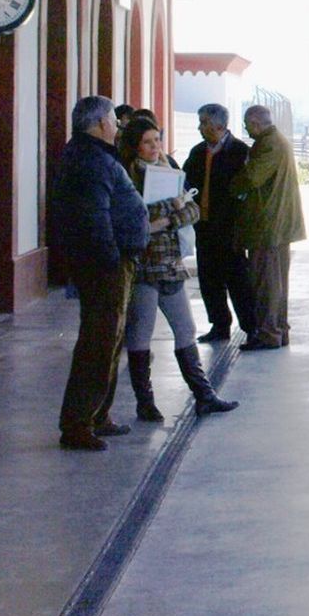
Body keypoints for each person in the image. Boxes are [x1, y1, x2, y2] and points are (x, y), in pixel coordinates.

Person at [117, 119, 238, 419]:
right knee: (140, 334)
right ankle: (145, 402)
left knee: (185, 328)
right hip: (144, 266)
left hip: (170, 264)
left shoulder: (169, 169)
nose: (155, 146)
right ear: (135, 147)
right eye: (147, 142)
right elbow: (137, 219)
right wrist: (171, 209)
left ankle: (204, 394)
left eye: (157, 140)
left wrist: (169, 218)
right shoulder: (127, 178)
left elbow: (193, 209)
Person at [50, 96, 149, 451]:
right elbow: (94, 218)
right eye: (113, 120)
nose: (118, 126)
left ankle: (97, 414)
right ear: (100, 124)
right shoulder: (90, 159)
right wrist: (110, 264)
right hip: (105, 266)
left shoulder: (91, 154)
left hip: (111, 263)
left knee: (109, 341)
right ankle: (77, 423)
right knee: (98, 342)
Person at [232, 105, 306, 352]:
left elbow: (252, 177)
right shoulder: (275, 140)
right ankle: (278, 330)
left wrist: (232, 184)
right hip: (275, 225)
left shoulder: (269, 144)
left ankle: (269, 333)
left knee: (267, 283)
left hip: (268, 225)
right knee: (276, 281)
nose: (246, 130)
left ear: (256, 123)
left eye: (247, 125)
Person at [183, 103, 253, 341]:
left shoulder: (240, 151)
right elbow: (186, 181)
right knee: (209, 279)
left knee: (237, 278)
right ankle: (219, 324)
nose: (200, 127)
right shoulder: (197, 152)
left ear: (220, 125)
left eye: (204, 123)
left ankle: (250, 326)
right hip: (204, 225)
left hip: (230, 226)